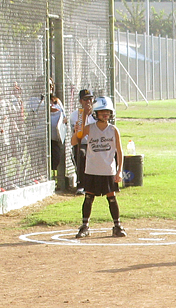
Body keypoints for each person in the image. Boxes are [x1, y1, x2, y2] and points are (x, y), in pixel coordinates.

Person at [76, 96, 126, 238]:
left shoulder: (113, 130)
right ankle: (85, 226)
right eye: (102, 111)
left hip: (108, 170)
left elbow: (120, 152)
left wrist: (119, 170)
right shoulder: (89, 128)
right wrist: (77, 131)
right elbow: (75, 140)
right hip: (92, 169)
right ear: (96, 114)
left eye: (108, 112)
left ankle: (117, 225)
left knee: (111, 197)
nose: (105, 114)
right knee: (89, 197)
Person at [69, 89, 93, 195]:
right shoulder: (76, 115)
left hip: (95, 143)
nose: (88, 102)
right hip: (82, 143)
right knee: (81, 153)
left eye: (90, 99)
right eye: (85, 99)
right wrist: (85, 115)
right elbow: (78, 134)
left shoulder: (97, 114)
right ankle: (81, 185)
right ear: (80, 101)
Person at [48, 92, 68, 188]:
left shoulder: (57, 101)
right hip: (42, 137)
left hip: (55, 136)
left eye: (51, 86)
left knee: (56, 158)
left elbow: (64, 116)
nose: (50, 88)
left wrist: (64, 120)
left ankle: (55, 178)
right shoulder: (37, 100)